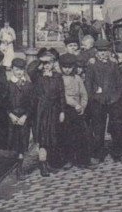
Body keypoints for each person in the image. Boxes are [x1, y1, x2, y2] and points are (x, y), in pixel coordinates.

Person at [84, 39, 122, 163]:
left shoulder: (113, 64)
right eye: (100, 51)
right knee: (98, 128)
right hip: (98, 101)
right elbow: (88, 84)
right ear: (96, 52)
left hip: (113, 100)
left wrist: (116, 97)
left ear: (109, 52)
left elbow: (119, 83)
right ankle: (97, 154)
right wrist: (95, 95)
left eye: (105, 51)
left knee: (116, 127)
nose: (103, 54)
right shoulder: (91, 65)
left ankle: (118, 153)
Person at [31, 48, 65, 176]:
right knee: (43, 138)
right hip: (41, 110)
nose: (46, 66)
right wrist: (39, 65)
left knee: (53, 136)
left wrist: (62, 111)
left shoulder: (57, 77)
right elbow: (31, 73)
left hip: (54, 110)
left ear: (53, 63)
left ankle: (50, 162)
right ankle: (42, 164)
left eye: (49, 63)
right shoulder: (38, 76)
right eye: (44, 63)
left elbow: (61, 94)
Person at [58, 53, 92, 169]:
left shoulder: (77, 78)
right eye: (64, 67)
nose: (67, 70)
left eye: (70, 67)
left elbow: (84, 94)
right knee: (67, 136)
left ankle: (82, 160)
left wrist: (82, 106)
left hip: (78, 111)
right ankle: (69, 159)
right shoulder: (59, 79)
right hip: (66, 109)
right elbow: (63, 95)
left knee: (82, 135)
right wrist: (75, 104)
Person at [5, 57, 33, 176]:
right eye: (17, 69)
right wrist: (10, 115)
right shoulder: (9, 84)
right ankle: (13, 164)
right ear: (12, 69)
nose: (19, 72)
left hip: (23, 118)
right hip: (11, 117)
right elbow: (4, 102)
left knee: (22, 142)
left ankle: (19, 168)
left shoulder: (28, 85)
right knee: (13, 142)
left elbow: (32, 103)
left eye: (21, 70)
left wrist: (25, 116)